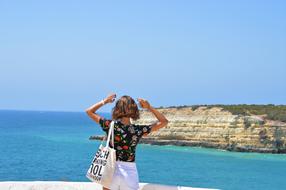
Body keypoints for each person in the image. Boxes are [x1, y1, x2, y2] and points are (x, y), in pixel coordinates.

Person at [85, 93, 168, 190]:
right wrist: (149, 107)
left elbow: (89, 111)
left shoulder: (110, 125)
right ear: (134, 110)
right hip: (129, 172)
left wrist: (105, 101)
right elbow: (164, 121)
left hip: (111, 169)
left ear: (117, 109)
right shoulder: (138, 130)